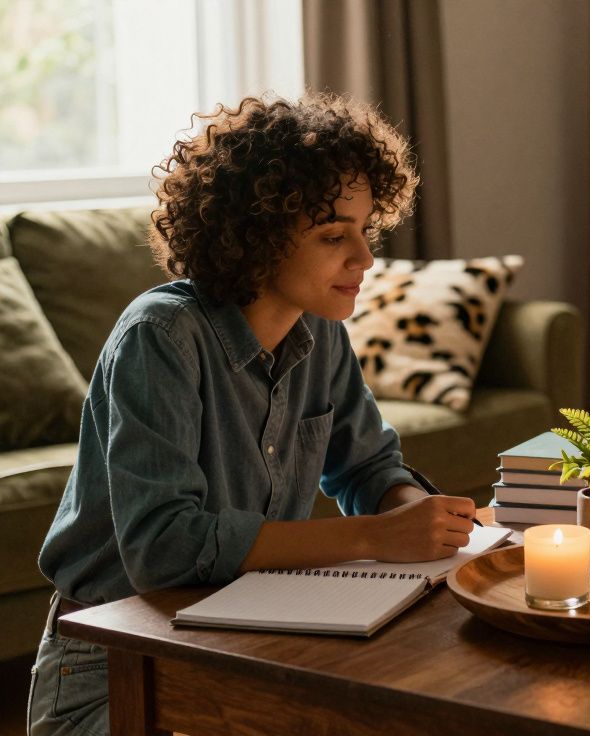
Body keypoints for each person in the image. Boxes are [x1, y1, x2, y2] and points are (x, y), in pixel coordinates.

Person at [28, 93, 477, 736]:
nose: (365, 258)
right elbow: (166, 546)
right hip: (114, 664)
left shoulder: (320, 334)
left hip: (243, 640)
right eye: (332, 235)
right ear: (258, 238)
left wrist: (416, 516)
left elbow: (368, 468)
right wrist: (374, 539)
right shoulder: (162, 336)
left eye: (364, 229)